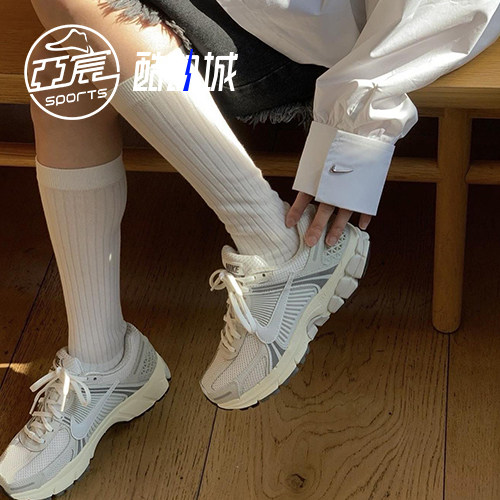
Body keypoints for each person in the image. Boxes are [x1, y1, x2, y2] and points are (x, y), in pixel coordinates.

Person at [1, 0, 498, 497]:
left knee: (73, 32)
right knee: (66, 57)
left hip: (319, 45)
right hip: (231, 18)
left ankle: (270, 244)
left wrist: (354, 135)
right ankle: (103, 355)